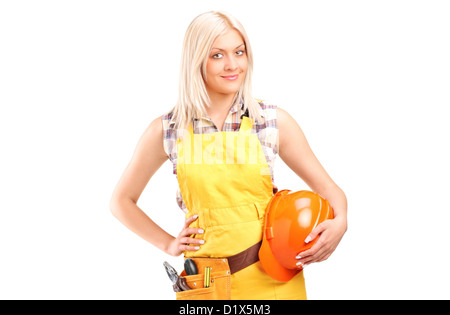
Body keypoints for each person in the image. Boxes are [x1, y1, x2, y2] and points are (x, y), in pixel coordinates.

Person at [110, 11, 347, 300]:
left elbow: (331, 191)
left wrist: (341, 221)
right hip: (206, 285)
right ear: (196, 60)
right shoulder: (169, 130)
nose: (232, 65)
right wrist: (169, 244)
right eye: (217, 55)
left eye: (239, 52)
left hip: (273, 282)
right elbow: (121, 201)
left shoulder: (270, 121)